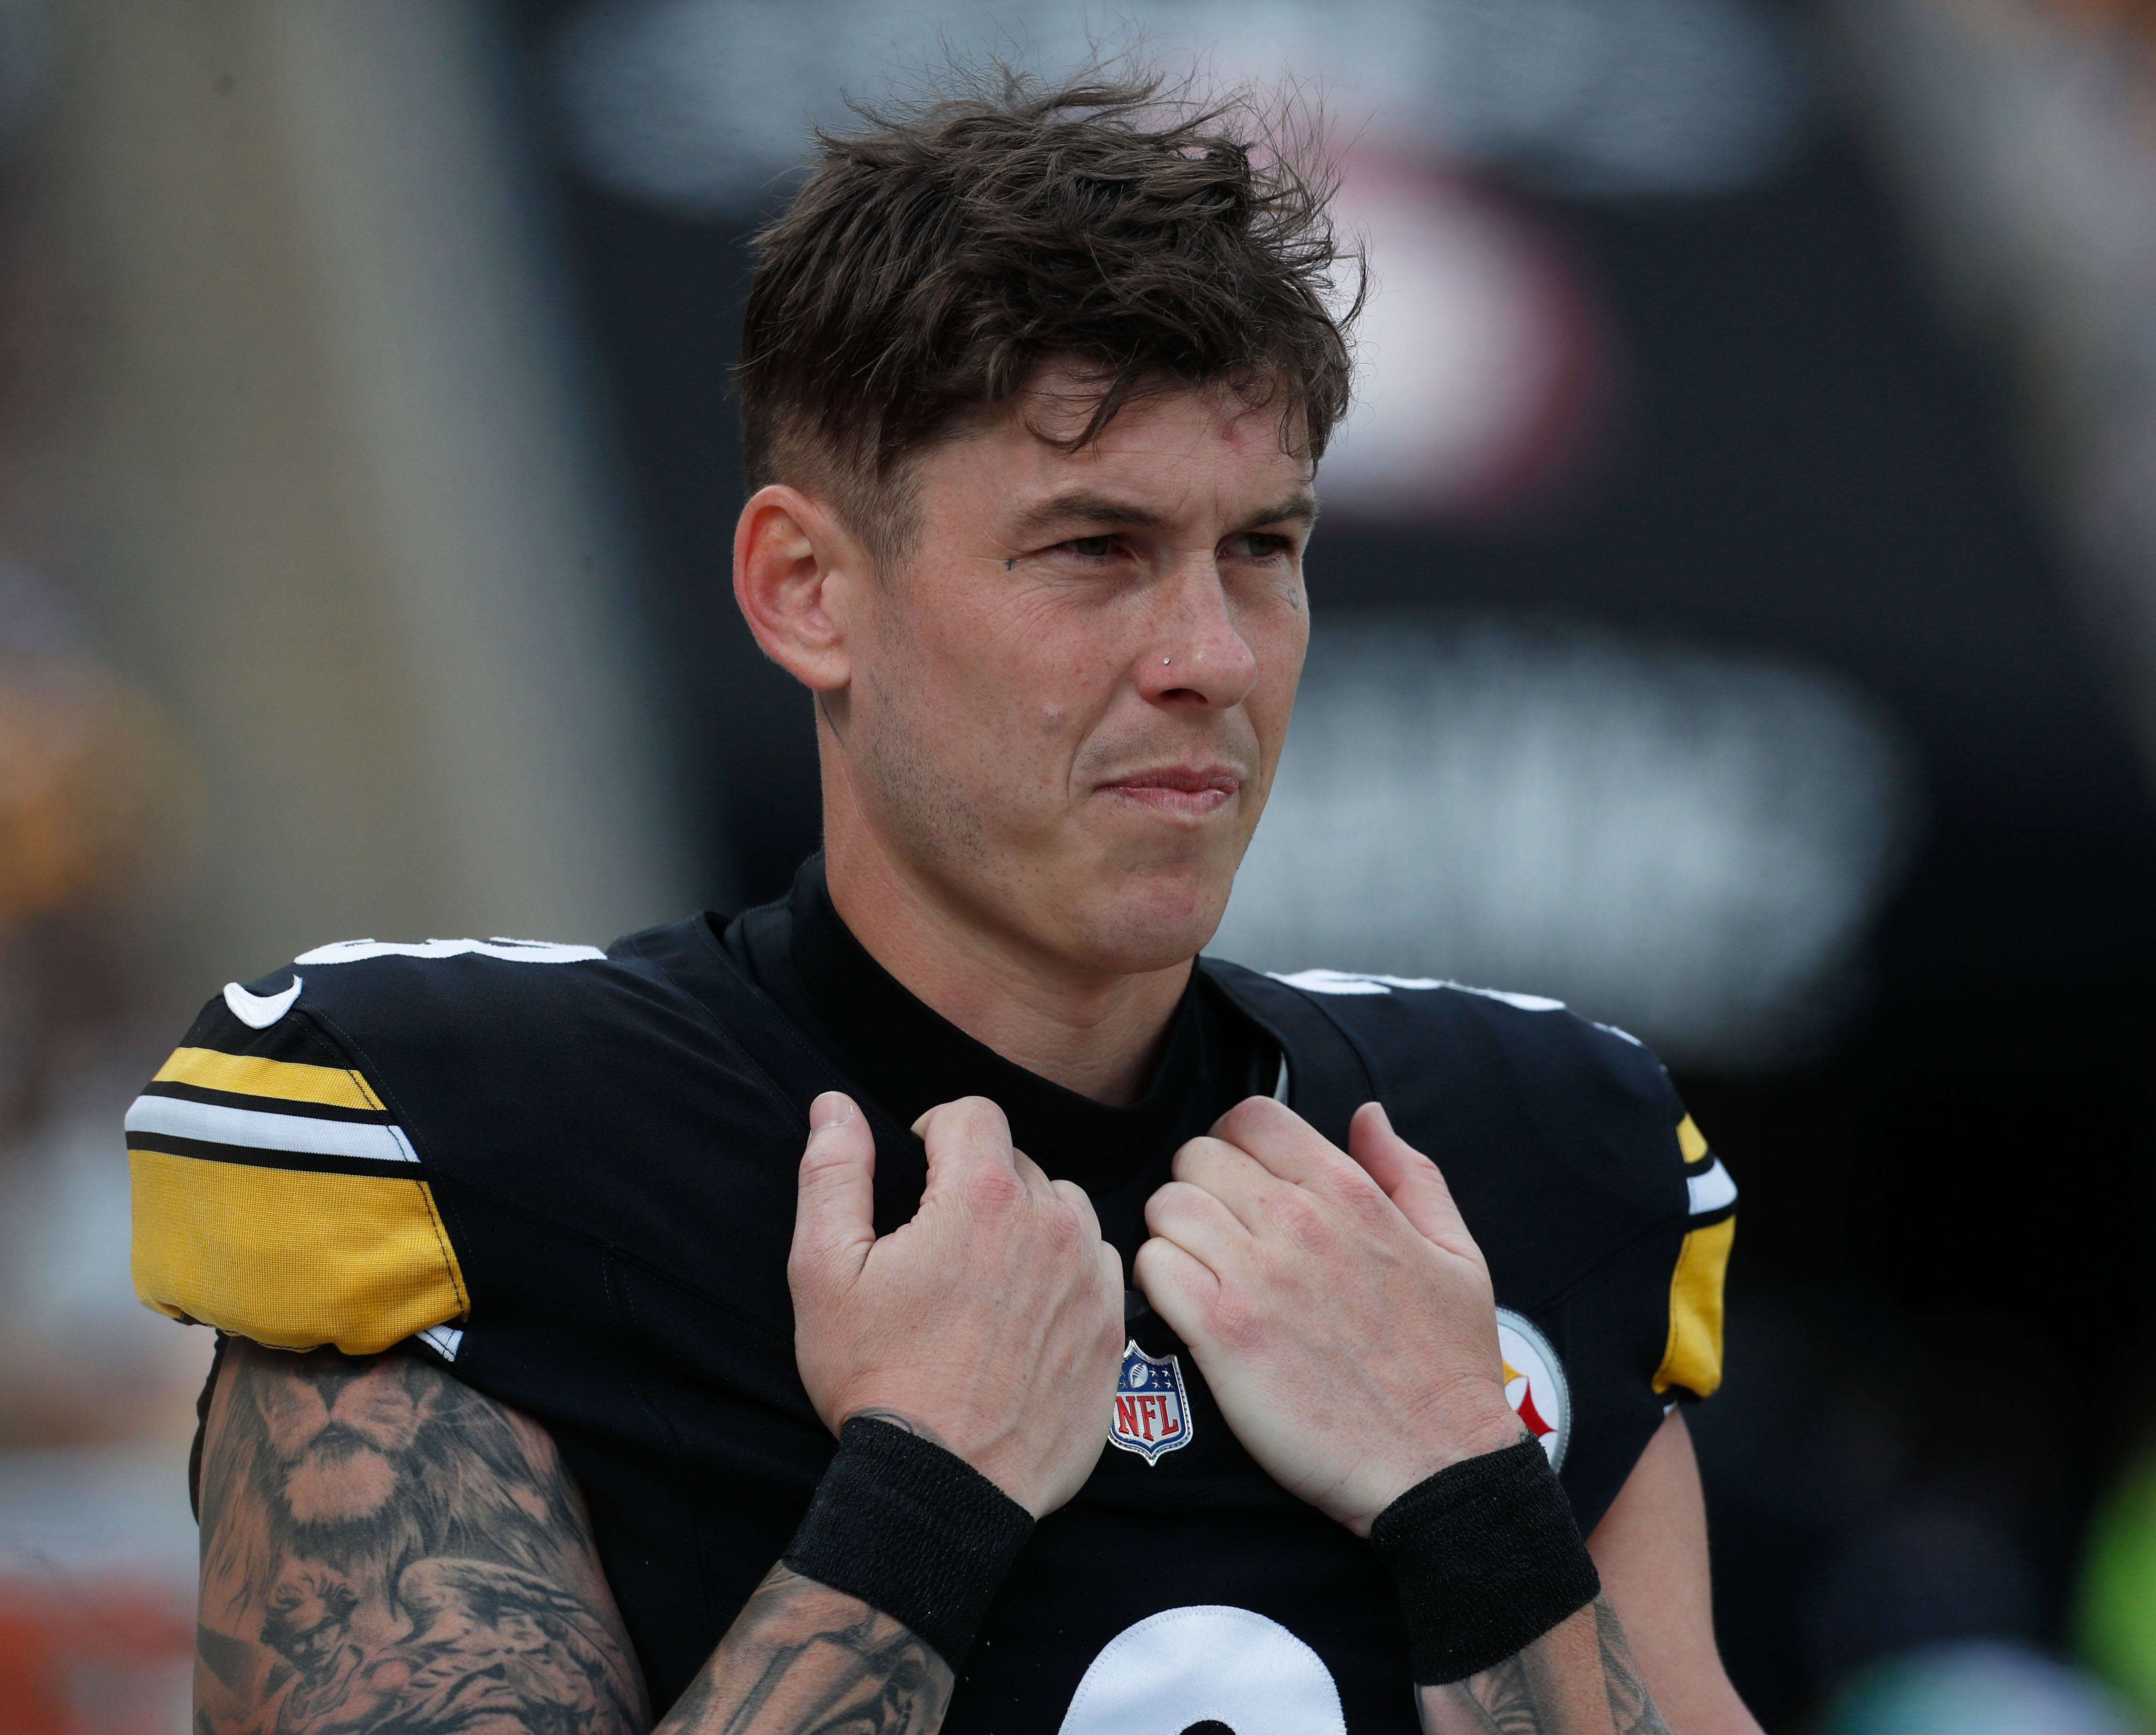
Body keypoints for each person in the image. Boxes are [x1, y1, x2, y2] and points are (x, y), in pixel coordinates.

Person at [126, 70, 1752, 1735]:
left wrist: (1471, 1498)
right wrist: (924, 1502)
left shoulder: (1517, 1153)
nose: (1211, 659)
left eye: (1262, 549)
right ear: (808, 591)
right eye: (1094, 548)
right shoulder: (476, 1140)